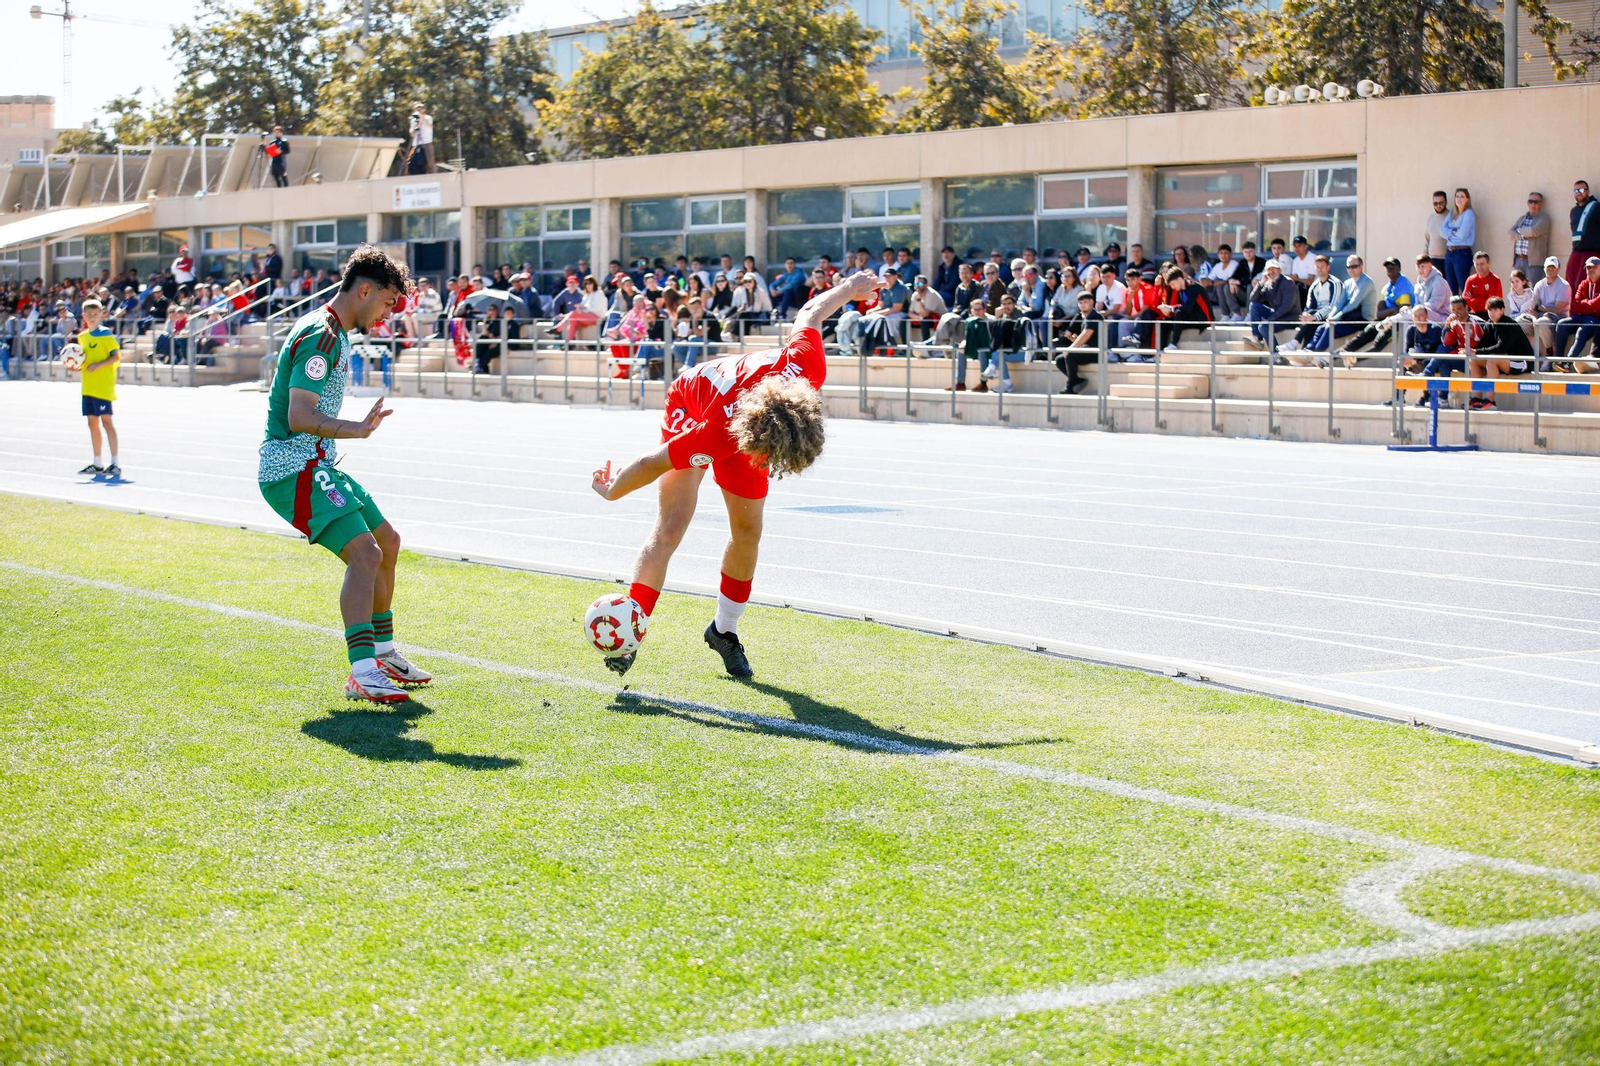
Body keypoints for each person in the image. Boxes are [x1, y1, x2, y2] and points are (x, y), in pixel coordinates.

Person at [589, 269, 882, 679]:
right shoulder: (715, 436)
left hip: (751, 414)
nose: (764, 465)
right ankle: (631, 634)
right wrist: (612, 490)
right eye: (763, 458)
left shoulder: (807, 366)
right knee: (671, 527)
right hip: (694, 404)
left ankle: (723, 631)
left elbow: (812, 312)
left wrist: (849, 289)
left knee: (748, 531)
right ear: (749, 441)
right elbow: (652, 462)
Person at [256, 246, 430, 704]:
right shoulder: (323, 335)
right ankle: (362, 670)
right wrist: (356, 429)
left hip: (317, 463)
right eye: (389, 302)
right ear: (366, 290)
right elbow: (298, 415)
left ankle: (384, 651)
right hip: (291, 468)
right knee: (365, 554)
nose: (390, 313)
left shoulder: (333, 331)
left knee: (387, 541)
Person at [70, 299, 122, 478]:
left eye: (95, 315)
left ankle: (115, 463)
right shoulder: (82, 337)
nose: (92, 318)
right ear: (83, 316)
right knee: (92, 424)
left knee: (107, 422)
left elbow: (116, 357)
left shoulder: (106, 334)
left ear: (101, 315)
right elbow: (80, 358)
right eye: (88, 315)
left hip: (102, 386)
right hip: (88, 386)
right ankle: (97, 462)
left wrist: (100, 364)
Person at [1335, 256, 1414, 363]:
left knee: (1378, 343)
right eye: (1387, 267)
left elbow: (1401, 312)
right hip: (1385, 320)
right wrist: (1393, 309)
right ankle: (1335, 355)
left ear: (1399, 269)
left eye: (1393, 266)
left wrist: (1390, 311)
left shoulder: (1404, 285)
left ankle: (1354, 359)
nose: (1390, 268)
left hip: (1398, 324)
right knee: (1366, 333)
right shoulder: (1386, 288)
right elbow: (1379, 314)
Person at [1466, 296, 1534, 410]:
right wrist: (1471, 351)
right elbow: (1483, 344)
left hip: (1522, 362)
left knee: (1492, 359)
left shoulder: (1509, 325)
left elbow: (1500, 348)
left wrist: (1477, 351)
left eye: (1495, 310)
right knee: (1473, 359)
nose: (1492, 313)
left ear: (1502, 310)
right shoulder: (1490, 324)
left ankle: (1490, 401)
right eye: (1489, 310)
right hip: (1505, 360)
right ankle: (1476, 399)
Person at [1280, 254, 1338, 354]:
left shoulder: (1335, 283)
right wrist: (1306, 314)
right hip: (1316, 318)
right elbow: (1309, 306)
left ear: (1328, 267)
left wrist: (1314, 316)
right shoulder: (1314, 285)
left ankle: (1295, 343)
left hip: (1331, 317)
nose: (1320, 269)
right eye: (1317, 267)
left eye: (1322, 267)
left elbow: (1332, 306)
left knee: (1311, 320)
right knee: (1308, 318)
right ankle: (1303, 353)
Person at [1552, 255, 1600, 372]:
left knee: (1583, 330)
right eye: (1588, 268)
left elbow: (1597, 305)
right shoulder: (1584, 284)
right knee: (1562, 324)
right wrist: (1590, 305)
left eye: (1593, 267)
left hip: (1596, 320)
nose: (1590, 271)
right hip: (1582, 316)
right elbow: (1575, 304)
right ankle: (1558, 360)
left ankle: (1567, 363)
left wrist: (1585, 304)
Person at [1053, 290, 1104, 394]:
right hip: (1087, 349)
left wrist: (1071, 348)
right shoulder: (1082, 317)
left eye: (1085, 302)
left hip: (1097, 352)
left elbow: (1086, 334)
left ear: (1092, 302)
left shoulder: (1095, 316)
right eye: (1080, 303)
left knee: (1070, 354)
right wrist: (1075, 341)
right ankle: (1076, 380)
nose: (1083, 305)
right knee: (1059, 359)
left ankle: (1070, 386)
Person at [1526, 255, 1571, 370]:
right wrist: (1535, 317)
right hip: (1539, 318)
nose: (1550, 269)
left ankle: (1549, 353)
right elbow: (1533, 307)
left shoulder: (1564, 285)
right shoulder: (1539, 284)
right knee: (1518, 323)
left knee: (1541, 323)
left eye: (1553, 267)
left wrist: (1540, 308)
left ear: (1558, 269)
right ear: (1544, 268)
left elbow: (1557, 310)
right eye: (1548, 267)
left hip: (1556, 318)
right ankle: (1527, 357)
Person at [1244, 261, 1298, 349]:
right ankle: (1257, 337)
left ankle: (1277, 355)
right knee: (1254, 306)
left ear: (1279, 270)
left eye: (1274, 269)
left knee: (1263, 327)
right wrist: (1261, 283)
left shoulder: (1288, 283)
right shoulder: (1268, 283)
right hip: (1277, 315)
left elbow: (1287, 306)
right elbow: (1253, 299)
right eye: (1269, 270)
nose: (1271, 272)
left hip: (1289, 318)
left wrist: (1270, 319)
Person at [1568, 180, 1600, 299]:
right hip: (1576, 253)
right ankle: (1574, 313)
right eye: (1576, 191)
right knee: (1572, 284)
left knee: (1588, 285)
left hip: (1592, 252)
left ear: (1588, 192)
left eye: (1582, 190)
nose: (1579, 193)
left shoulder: (1596, 207)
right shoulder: (1574, 211)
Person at [1440, 188, 1476, 294]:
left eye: (1462, 196)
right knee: (1451, 288)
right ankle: (1454, 310)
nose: (1459, 199)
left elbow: (1461, 234)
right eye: (1457, 196)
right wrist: (1454, 232)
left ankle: (1469, 309)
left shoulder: (1469, 214)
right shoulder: (1452, 214)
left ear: (1467, 199)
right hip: (1449, 253)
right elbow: (1442, 231)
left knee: (1464, 286)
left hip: (1462, 253)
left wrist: (1449, 233)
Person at [1508, 192, 1550, 272]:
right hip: (1518, 260)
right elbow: (1510, 233)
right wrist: (1523, 235)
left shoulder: (1544, 218)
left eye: (1536, 202)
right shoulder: (1522, 219)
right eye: (1531, 201)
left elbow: (1533, 231)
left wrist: (1518, 231)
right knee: (1517, 284)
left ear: (1541, 203)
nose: (1533, 204)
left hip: (1534, 263)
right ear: (1527, 203)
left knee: (1533, 285)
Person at [1424, 189, 1449, 269]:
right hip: (1432, 260)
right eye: (1435, 203)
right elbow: (1427, 239)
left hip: (1447, 260)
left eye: (1441, 203)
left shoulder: (1451, 217)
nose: (1438, 206)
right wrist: (1424, 257)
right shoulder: (1431, 218)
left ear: (1446, 202)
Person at [408, 104, 435, 174]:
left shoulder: (428, 118)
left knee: (429, 161)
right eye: (417, 109)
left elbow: (430, 125)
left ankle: (433, 174)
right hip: (416, 143)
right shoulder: (413, 120)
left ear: (423, 110)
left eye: (420, 109)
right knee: (415, 161)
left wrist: (422, 118)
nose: (419, 111)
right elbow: (411, 133)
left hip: (426, 142)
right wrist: (416, 126)